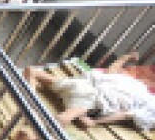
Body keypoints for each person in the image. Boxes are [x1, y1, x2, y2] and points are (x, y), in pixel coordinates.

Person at [24, 52, 155, 130]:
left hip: (83, 85)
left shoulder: (137, 87)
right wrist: (94, 122)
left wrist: (124, 58)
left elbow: (110, 72)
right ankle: (35, 133)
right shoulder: (144, 95)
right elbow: (127, 114)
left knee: (33, 72)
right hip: (91, 95)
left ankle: (30, 105)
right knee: (65, 116)